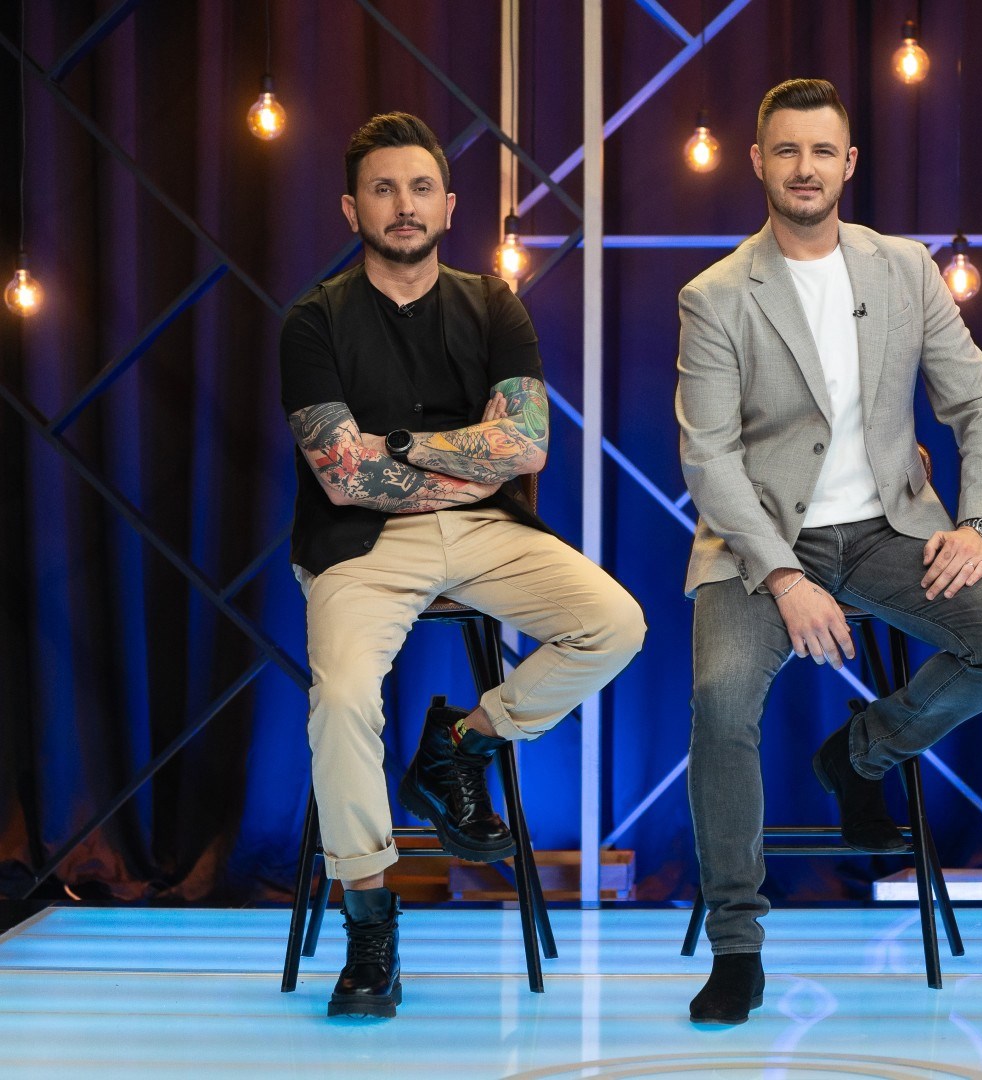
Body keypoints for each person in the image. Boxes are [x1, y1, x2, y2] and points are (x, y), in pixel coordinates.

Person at [675, 78, 982, 1025]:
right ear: (759, 162)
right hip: (760, 543)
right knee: (721, 701)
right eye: (786, 150)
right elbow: (709, 458)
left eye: (822, 151)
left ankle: (863, 752)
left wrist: (980, 525)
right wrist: (784, 576)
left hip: (890, 528)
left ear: (848, 163)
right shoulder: (716, 295)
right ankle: (737, 945)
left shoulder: (905, 268)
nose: (805, 168)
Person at [279, 112, 645, 1020]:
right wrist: (460, 459)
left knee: (616, 624)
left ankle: (460, 746)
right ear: (351, 209)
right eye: (382, 189)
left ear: (449, 204)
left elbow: (526, 445)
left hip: (488, 531)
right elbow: (342, 475)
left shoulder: (493, 304)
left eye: (419, 188)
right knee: (342, 698)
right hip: (359, 545)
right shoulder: (313, 320)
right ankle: (370, 922)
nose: (403, 205)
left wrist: (401, 447)